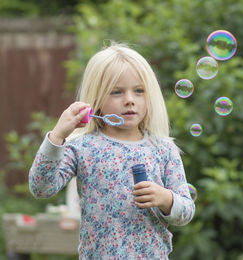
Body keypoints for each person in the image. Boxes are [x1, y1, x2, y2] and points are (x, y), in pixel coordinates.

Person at [29, 42, 195, 260]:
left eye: (139, 91)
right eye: (116, 92)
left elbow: (186, 211)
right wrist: (58, 135)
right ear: (96, 99)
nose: (129, 100)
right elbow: (41, 187)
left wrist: (165, 199)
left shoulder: (163, 149)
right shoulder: (82, 147)